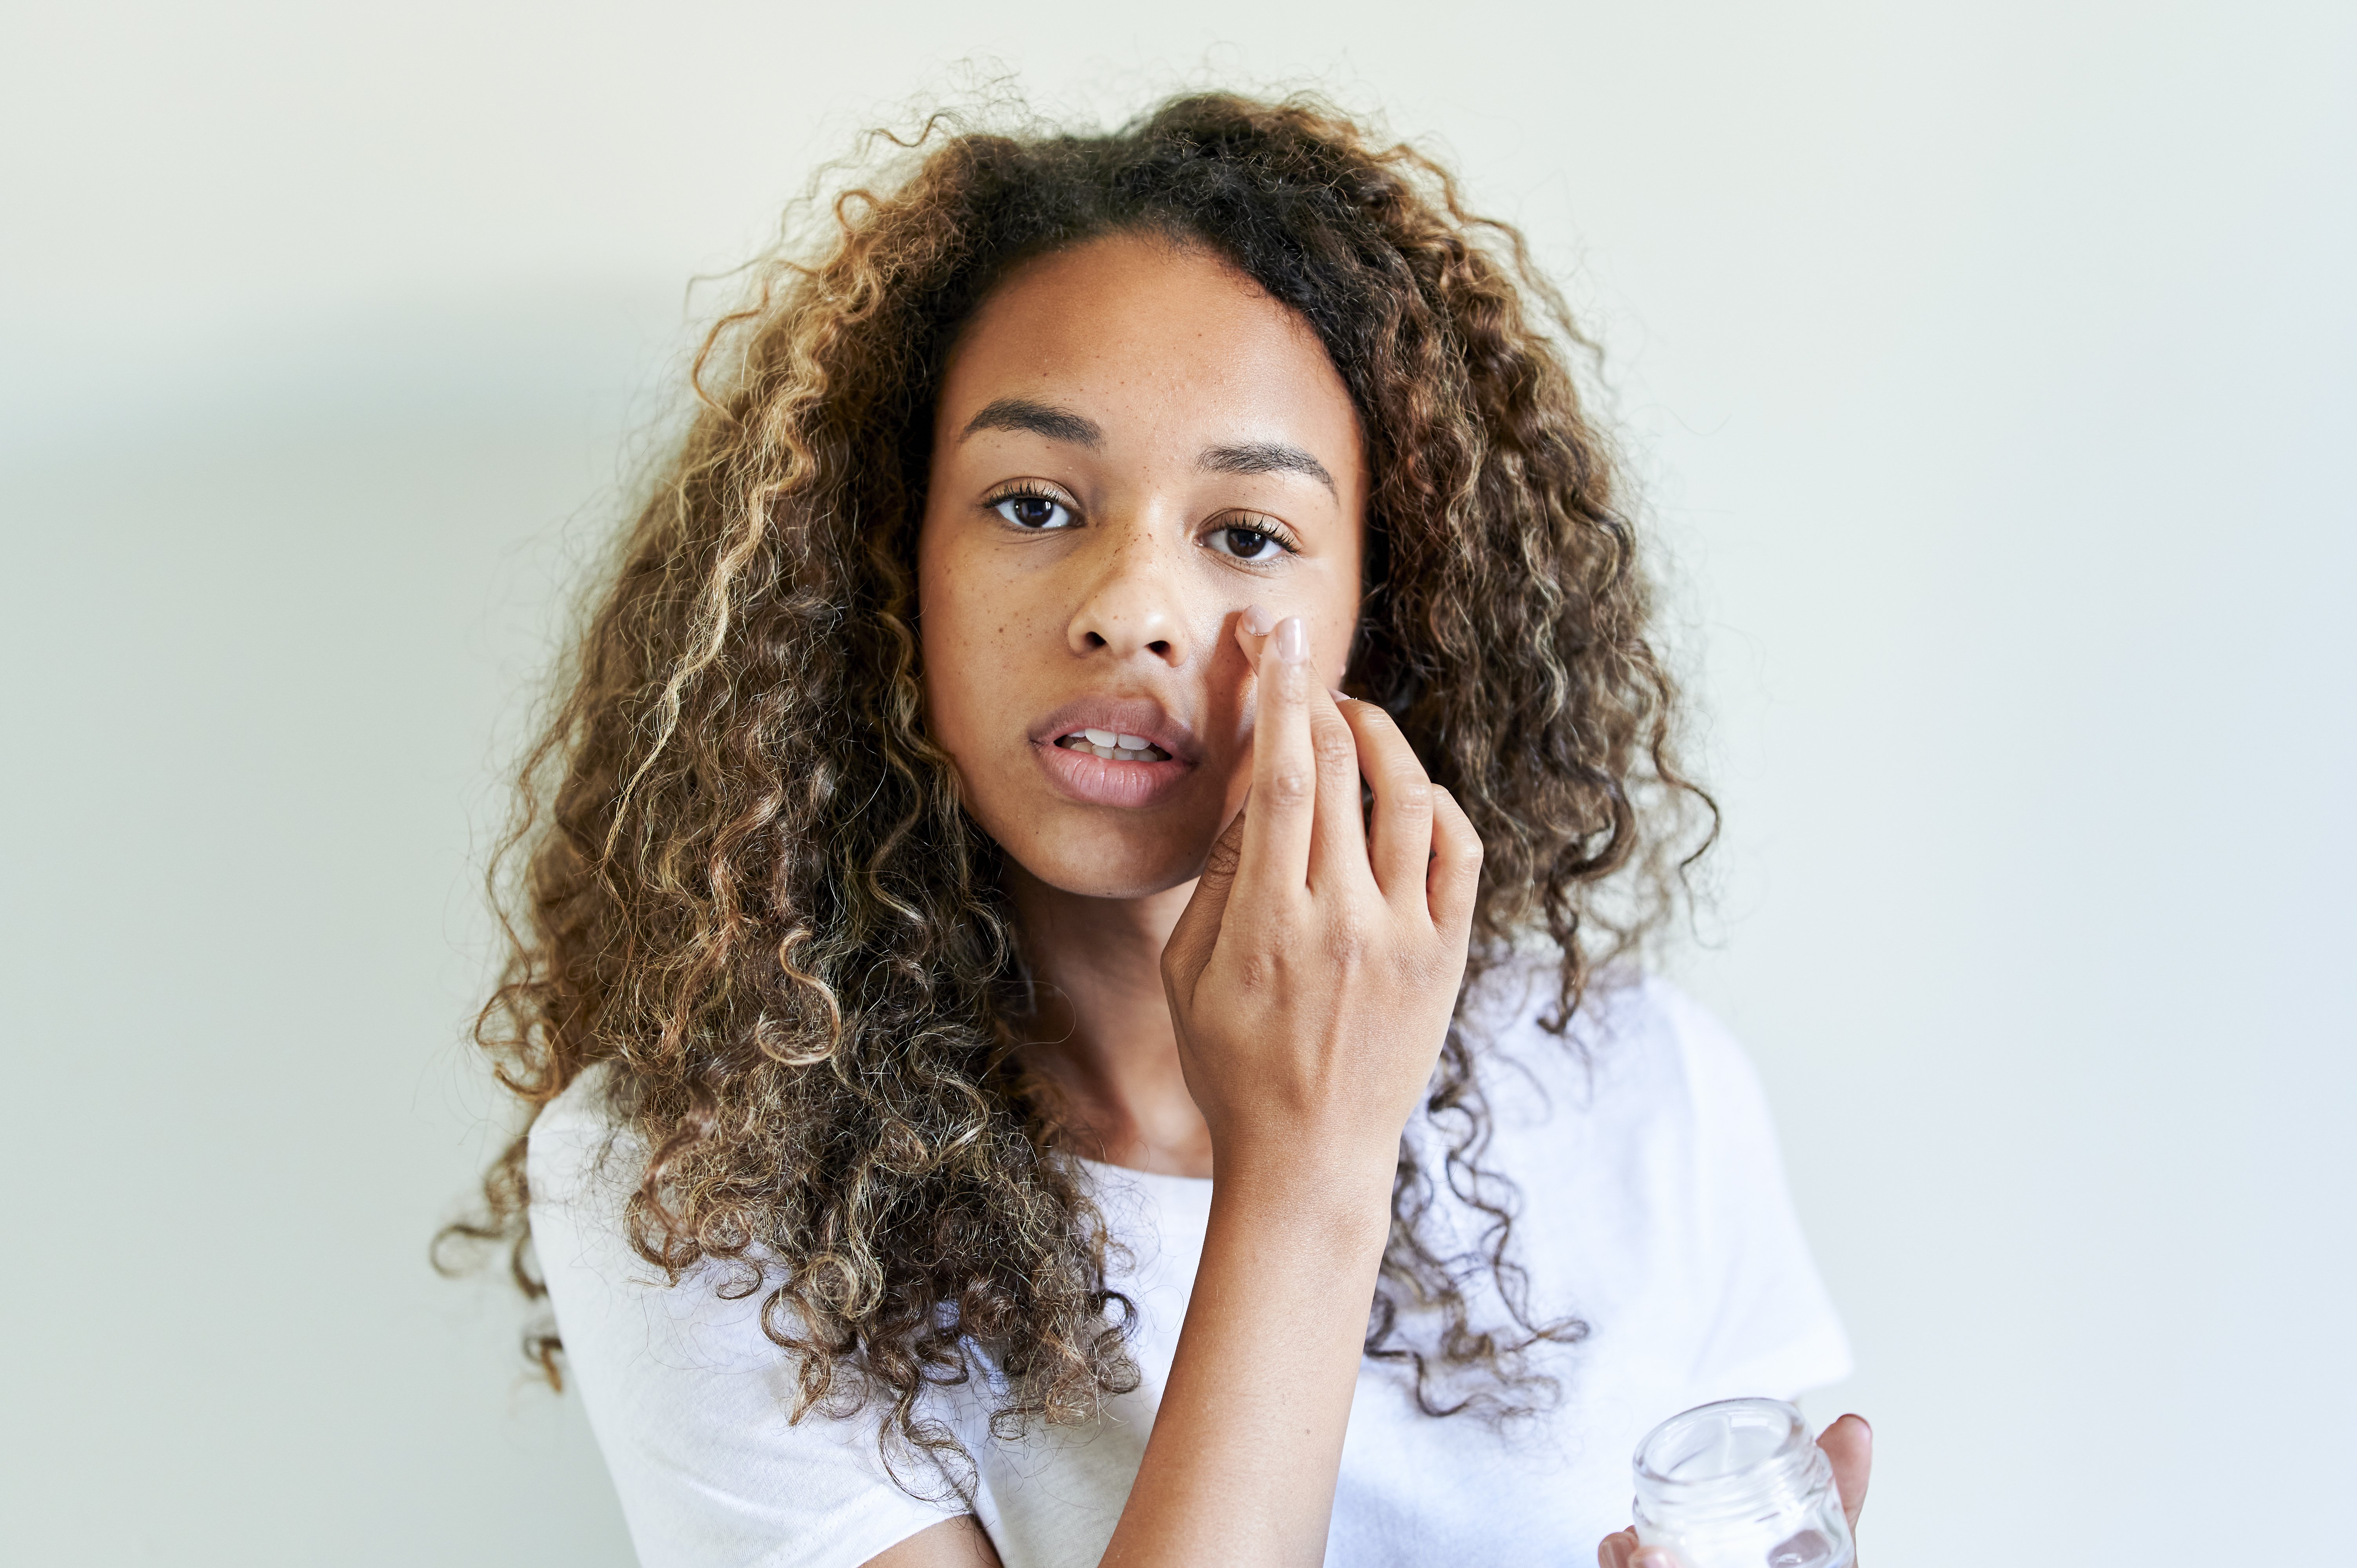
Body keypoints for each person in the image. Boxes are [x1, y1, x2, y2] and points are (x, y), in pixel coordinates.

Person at [448, 91, 1872, 1567]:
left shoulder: (1637, 1093)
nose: (1129, 607)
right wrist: (1311, 1167)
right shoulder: (701, 1177)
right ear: (880, 569)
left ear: (1381, 619)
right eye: (1031, 504)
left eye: (1247, 535)